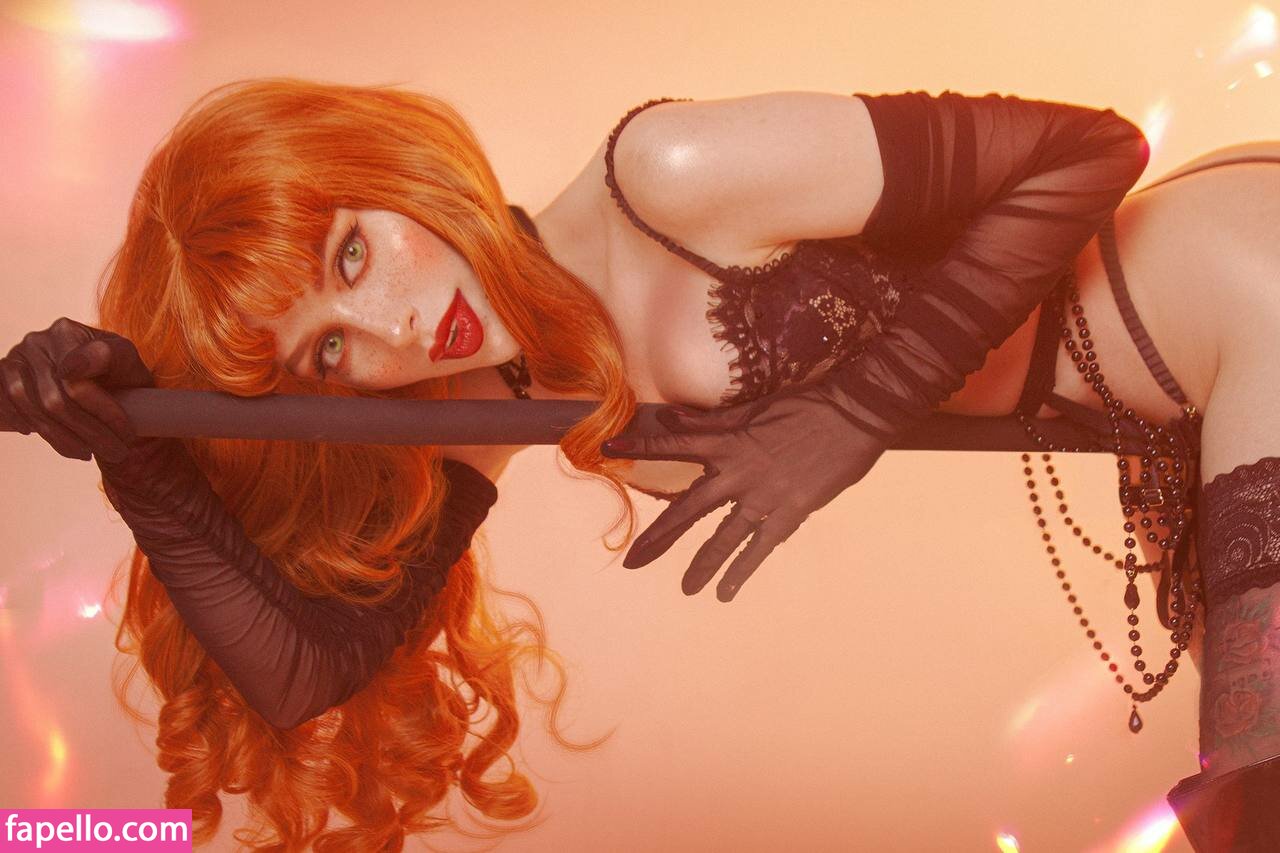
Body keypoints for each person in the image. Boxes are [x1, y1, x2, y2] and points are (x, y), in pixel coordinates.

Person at [1, 78, 1273, 848]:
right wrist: (134, 457)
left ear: (387, 166)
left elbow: (1091, 147)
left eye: (350, 253)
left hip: (1240, 283)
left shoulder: (663, 177)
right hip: (1178, 404)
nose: (395, 329)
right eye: (328, 353)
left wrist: (849, 416)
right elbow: (307, 671)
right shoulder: (496, 397)